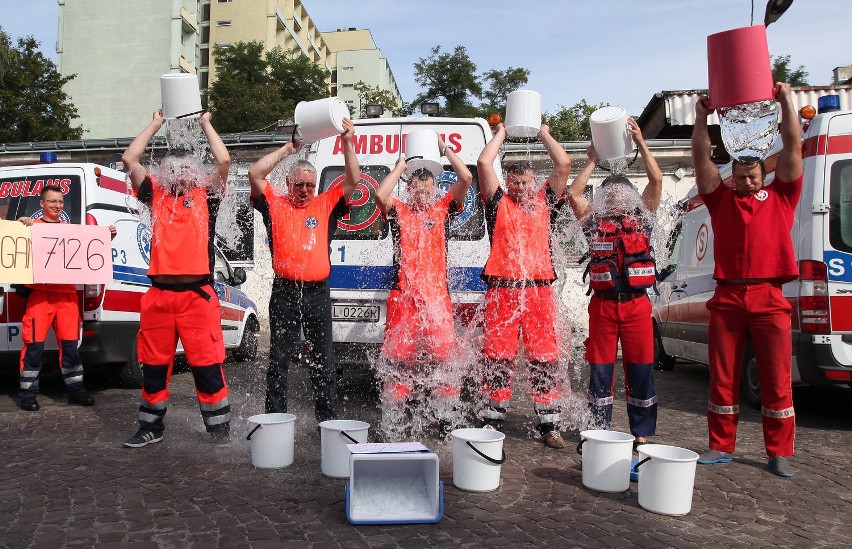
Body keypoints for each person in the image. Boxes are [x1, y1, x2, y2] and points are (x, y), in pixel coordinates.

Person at [692, 82, 802, 478]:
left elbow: (792, 147)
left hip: (769, 295)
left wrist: (788, 101)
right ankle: (721, 446)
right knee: (722, 377)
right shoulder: (720, 199)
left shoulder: (783, 196)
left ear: (762, 174)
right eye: (741, 177)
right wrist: (702, 117)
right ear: (733, 177)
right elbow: (702, 159)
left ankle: (779, 451)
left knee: (776, 379)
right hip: (728, 297)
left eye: (754, 176)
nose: (749, 182)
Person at [121, 109, 232, 447]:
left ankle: (219, 430)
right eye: (173, 169)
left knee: (206, 366)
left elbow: (224, 161)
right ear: (165, 173)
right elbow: (130, 158)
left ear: (195, 173)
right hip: (159, 297)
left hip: (196, 297)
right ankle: (150, 426)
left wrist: (205, 123)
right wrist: (155, 123)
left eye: (186, 169)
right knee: (153, 365)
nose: (180, 175)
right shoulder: (155, 195)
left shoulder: (206, 197)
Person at [248, 118, 359, 423]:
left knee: (323, 360)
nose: (306, 190)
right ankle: (275, 420)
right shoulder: (274, 203)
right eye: (300, 184)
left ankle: (329, 421)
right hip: (285, 292)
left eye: (310, 184)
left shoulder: (326, 203)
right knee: (279, 360)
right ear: (288, 184)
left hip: (317, 294)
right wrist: (288, 149)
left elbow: (354, 180)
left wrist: (348, 141)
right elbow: (255, 173)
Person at [565, 118, 663, 448]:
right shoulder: (594, 224)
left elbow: (657, 178)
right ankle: (599, 430)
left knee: (641, 371)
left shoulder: (644, 220)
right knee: (600, 372)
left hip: (637, 306)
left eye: (623, 195)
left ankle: (642, 433)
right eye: (612, 195)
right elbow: (574, 193)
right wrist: (593, 159)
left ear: (633, 199)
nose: (618, 200)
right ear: (605, 198)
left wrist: (642, 142)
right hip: (604, 307)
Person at [476, 123, 571, 449]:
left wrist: (543, 132)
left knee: (543, 357)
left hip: (538, 292)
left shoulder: (547, 202)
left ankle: (550, 424)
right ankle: (492, 419)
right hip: (502, 291)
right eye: (514, 181)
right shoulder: (497, 203)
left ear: (535, 184)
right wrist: (502, 132)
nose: (520, 186)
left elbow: (563, 165)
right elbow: (485, 164)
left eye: (526, 182)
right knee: (498, 357)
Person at [373, 134, 473, 435]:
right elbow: (380, 195)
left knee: (444, 360)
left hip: (436, 299)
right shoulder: (399, 211)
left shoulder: (442, 207)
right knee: (397, 361)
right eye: (417, 189)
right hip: (404, 299)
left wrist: (446, 151)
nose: (422, 195)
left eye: (427, 190)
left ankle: (444, 416)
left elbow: (466, 177)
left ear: (434, 190)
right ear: (409, 188)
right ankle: (394, 417)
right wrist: (400, 166)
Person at [17, 186, 117, 412]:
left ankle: (76, 392)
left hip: (67, 298)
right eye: (52, 201)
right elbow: (14, 243)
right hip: (39, 296)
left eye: (60, 202)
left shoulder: (71, 231)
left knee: (71, 347)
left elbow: (90, 253)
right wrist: (20, 225)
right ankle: (27, 394)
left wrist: (105, 237)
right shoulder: (31, 227)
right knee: (33, 347)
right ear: (41, 204)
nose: (57, 206)